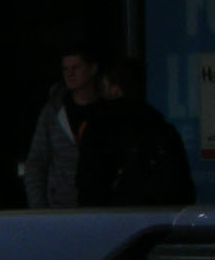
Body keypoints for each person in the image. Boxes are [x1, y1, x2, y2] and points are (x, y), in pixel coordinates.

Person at [77, 56, 195, 207]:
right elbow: (184, 190)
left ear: (116, 89)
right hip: (157, 217)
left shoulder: (98, 128)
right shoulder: (161, 128)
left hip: (110, 216)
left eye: (105, 85)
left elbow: (88, 185)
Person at [24, 44, 101, 208]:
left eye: (76, 67)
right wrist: (39, 208)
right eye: (65, 69)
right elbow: (36, 162)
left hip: (100, 207)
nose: (70, 74)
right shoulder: (53, 112)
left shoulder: (108, 110)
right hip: (60, 207)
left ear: (92, 69)